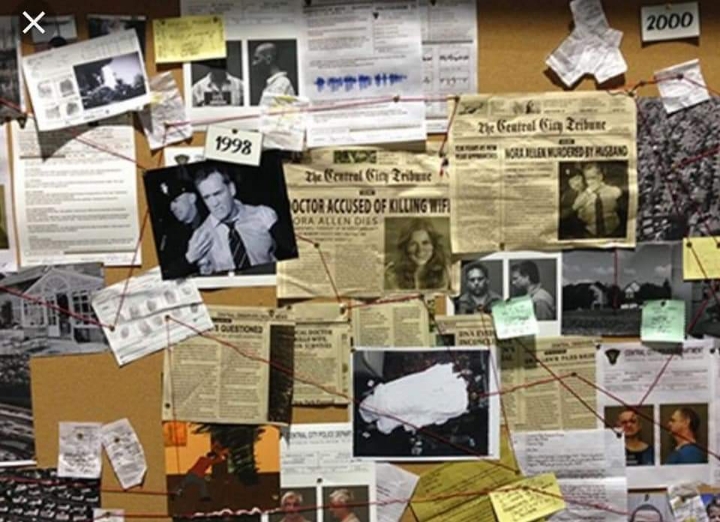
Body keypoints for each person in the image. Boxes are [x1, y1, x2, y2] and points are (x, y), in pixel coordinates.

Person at [186, 168, 278, 275]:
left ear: (232, 189)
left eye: (217, 194)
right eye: (207, 197)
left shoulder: (263, 215)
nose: (214, 203)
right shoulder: (200, 237)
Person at [384, 218, 450, 291]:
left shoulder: (446, 272)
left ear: (434, 245)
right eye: (413, 244)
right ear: (405, 247)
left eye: (425, 243)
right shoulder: (391, 275)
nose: (420, 251)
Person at [158, 177, 204, 278]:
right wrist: (188, 259)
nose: (172, 207)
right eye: (169, 203)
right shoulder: (171, 235)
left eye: (176, 200)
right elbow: (166, 271)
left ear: (192, 198)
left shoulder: (212, 222)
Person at [572, 162, 623, 238]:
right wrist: (588, 191)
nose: (590, 182)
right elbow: (575, 206)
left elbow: (619, 193)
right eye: (588, 179)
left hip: (613, 231)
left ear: (600, 177)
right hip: (591, 232)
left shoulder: (611, 190)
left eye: (593, 178)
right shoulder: (585, 195)